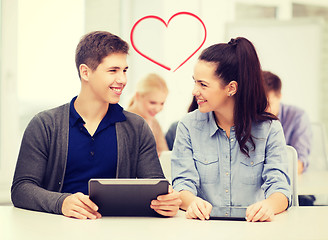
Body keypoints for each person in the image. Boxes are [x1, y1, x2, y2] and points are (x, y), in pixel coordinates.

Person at [11, 31, 181, 219]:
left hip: (118, 230)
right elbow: (21, 189)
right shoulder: (45, 125)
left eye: (124, 70)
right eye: (113, 70)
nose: (123, 79)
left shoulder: (137, 127)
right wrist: (61, 203)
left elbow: (155, 187)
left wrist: (166, 203)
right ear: (85, 72)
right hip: (57, 227)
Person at [171, 37, 291, 222]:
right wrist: (192, 202)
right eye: (195, 82)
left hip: (254, 229)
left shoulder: (270, 129)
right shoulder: (188, 126)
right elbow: (182, 183)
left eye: (203, 84)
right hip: (203, 229)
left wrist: (268, 206)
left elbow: (280, 189)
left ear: (231, 88)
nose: (195, 91)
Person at [262, 70, 314, 206]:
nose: (263, 109)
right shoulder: (253, 120)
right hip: (262, 192)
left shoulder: (297, 116)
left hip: (291, 186)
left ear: (279, 96)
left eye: (268, 103)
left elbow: (299, 163)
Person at [127, 73, 169, 155]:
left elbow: (165, 155)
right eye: (152, 103)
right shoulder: (124, 121)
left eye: (162, 103)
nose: (157, 109)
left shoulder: (154, 123)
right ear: (138, 96)